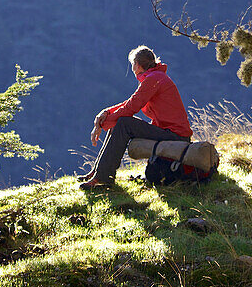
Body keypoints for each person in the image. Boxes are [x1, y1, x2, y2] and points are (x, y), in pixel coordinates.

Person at [79, 45, 192, 189]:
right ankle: (98, 172)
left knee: (124, 123)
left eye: (133, 64)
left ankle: (103, 177)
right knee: (121, 122)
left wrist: (102, 124)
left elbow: (131, 107)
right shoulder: (154, 77)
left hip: (175, 136)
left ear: (137, 65)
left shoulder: (154, 79)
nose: (132, 68)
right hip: (169, 132)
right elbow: (130, 102)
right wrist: (106, 113)